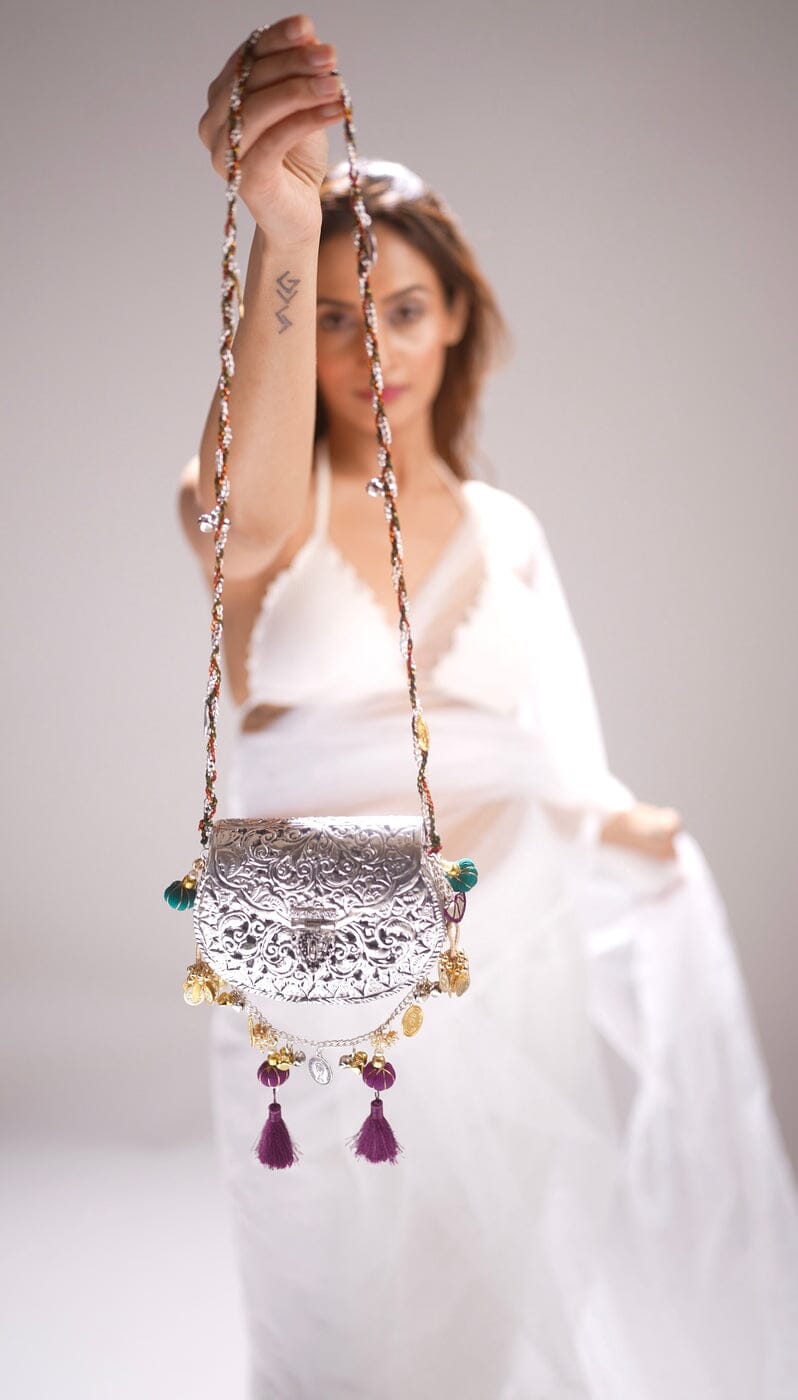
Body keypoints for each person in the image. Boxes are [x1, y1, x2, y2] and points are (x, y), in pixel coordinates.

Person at [179, 16, 798, 1399]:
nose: (371, 347)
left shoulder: (506, 531)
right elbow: (245, 507)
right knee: (330, 1325)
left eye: (401, 308)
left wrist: (617, 823)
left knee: (472, 1319)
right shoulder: (258, 506)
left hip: (503, 960)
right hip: (319, 979)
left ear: (456, 317)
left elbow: (543, 752)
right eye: (334, 317)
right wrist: (284, 232)